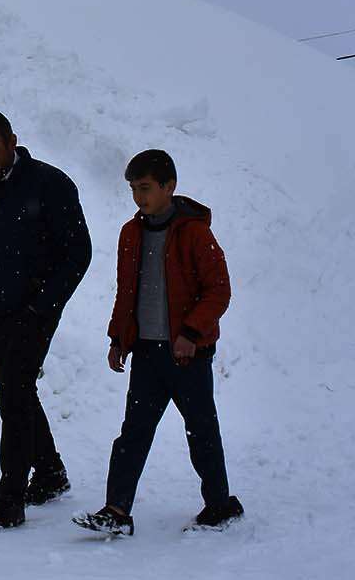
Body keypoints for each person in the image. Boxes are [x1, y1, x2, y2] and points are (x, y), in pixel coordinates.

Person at [74, 149, 243, 537]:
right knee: (132, 433)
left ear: (170, 186)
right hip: (147, 354)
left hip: (188, 355)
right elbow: (126, 292)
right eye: (134, 189)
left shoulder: (195, 232)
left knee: (201, 431)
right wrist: (118, 338)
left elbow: (219, 291)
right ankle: (116, 510)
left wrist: (191, 334)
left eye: (146, 188)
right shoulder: (130, 233)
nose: (139, 197)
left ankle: (220, 505)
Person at [0, 109, 92, 528]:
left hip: (32, 313)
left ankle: (10, 498)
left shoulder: (49, 184)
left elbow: (77, 254)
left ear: (13, 142)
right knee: (18, 390)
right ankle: (49, 472)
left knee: (13, 395)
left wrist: (41, 307)